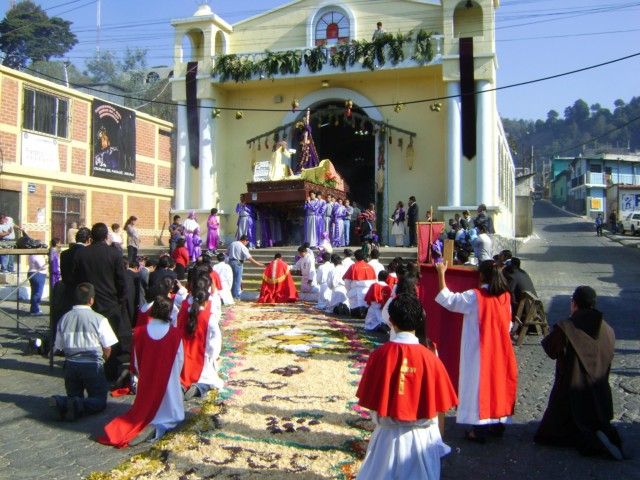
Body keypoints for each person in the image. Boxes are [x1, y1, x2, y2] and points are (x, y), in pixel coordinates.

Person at [356, 294, 458, 480]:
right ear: (420, 321)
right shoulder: (431, 359)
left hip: (386, 439)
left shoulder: (379, 356)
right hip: (422, 441)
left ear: (391, 321)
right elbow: (441, 405)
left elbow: (370, 400)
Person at [534, 286, 624, 460]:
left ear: (574, 304)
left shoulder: (567, 326)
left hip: (571, 394)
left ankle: (592, 441)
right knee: (591, 423)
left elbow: (550, 349)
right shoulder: (607, 329)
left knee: (550, 435)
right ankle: (600, 433)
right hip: (600, 396)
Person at [435, 260, 517, 443]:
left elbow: (448, 299)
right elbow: (509, 323)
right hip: (501, 349)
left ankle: (479, 429)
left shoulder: (475, 297)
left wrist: (441, 273)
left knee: (479, 388)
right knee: (498, 386)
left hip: (480, 350)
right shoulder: (505, 296)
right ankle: (498, 423)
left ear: (481, 276)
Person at [99, 295, 184, 447]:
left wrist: (139, 372)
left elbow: (136, 357)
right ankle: (162, 423)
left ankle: (150, 424)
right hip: (169, 375)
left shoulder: (140, 331)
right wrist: (175, 374)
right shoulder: (175, 333)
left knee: (144, 406)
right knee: (170, 403)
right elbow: (180, 358)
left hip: (147, 375)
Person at [50, 283, 118, 421]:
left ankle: (65, 402)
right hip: (92, 364)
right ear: (91, 300)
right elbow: (107, 347)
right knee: (99, 401)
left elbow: (58, 346)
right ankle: (75, 404)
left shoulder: (64, 318)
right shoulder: (99, 319)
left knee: (74, 395)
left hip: (71, 365)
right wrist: (103, 360)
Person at [74, 223, 128, 383]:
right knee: (110, 338)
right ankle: (110, 372)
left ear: (91, 237)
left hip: (88, 301)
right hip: (110, 302)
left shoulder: (82, 254)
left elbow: (78, 279)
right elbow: (121, 280)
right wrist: (121, 299)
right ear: (106, 236)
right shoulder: (114, 254)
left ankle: (88, 370)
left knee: (89, 337)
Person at [177, 274, 224, 400]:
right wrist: (214, 356)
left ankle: (180, 386)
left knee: (179, 374)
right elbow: (214, 341)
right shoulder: (209, 317)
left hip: (182, 353)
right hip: (201, 355)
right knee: (210, 379)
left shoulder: (184, 306)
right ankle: (199, 388)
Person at [228, 235, 264, 301]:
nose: (246, 244)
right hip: (238, 263)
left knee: (231, 279)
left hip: (230, 262)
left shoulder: (232, 243)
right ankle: (235, 296)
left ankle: (231, 294)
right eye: (246, 242)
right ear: (244, 240)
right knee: (237, 280)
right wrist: (259, 264)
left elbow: (227, 253)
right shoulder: (242, 246)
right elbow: (249, 258)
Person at [344, 249, 377, 318]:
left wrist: (349, 291)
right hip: (368, 291)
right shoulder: (370, 267)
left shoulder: (353, 266)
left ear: (355, 257)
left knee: (355, 310)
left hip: (355, 291)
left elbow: (347, 282)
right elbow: (374, 281)